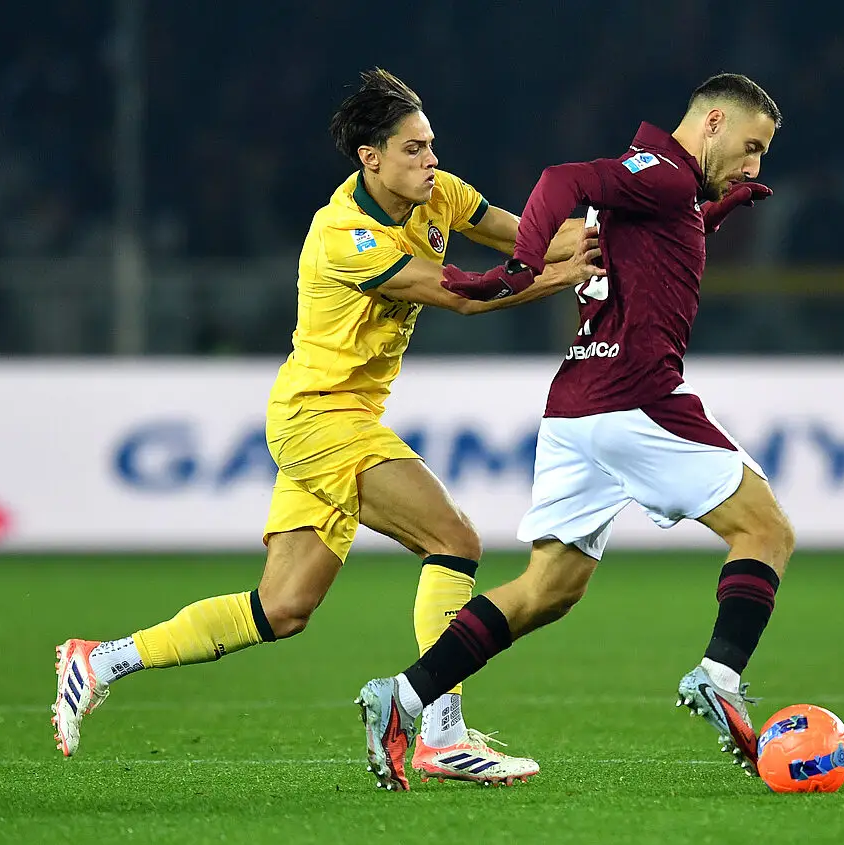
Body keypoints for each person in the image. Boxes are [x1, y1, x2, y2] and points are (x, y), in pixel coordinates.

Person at [52, 69, 602, 786]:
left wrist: (618, 237)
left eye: (431, 144)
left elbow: (525, 236)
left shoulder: (438, 193)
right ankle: (440, 732)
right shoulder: (344, 233)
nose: (430, 159)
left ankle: (98, 660)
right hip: (320, 417)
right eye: (413, 148)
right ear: (370, 157)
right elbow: (460, 293)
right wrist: (561, 281)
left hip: (335, 417)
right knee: (454, 539)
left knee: (282, 609)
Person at [355, 73, 794, 791]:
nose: (754, 167)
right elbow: (561, 180)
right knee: (767, 532)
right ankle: (720, 674)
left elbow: (647, 245)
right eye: (751, 148)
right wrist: (526, 264)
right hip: (638, 398)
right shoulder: (658, 174)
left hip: (576, 410)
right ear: (712, 123)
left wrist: (716, 214)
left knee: (548, 588)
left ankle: (402, 697)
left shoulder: (669, 192)